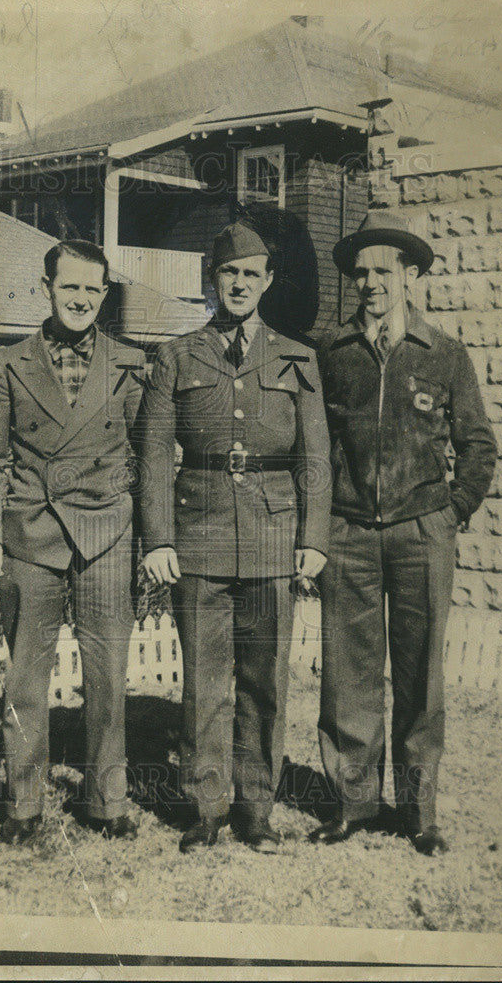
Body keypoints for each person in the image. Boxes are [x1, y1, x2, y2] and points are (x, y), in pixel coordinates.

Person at [136, 222, 331, 854]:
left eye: (251, 272)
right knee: (204, 681)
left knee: (266, 678)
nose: (239, 283)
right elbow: (155, 452)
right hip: (199, 532)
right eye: (229, 273)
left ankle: (257, 810)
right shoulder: (176, 357)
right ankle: (205, 807)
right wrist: (159, 540)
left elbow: (316, 459)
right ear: (211, 281)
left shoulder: (298, 357)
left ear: (268, 281)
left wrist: (315, 538)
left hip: (275, 533)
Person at [312, 211, 498, 855]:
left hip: (423, 534)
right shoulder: (331, 355)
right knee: (349, 673)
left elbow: (478, 447)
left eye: (383, 271)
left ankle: (420, 811)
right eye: (360, 272)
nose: (370, 283)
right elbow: (317, 447)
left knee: (420, 674)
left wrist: (452, 510)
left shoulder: (444, 354)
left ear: (410, 275)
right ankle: (354, 805)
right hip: (350, 535)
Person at [0, 240, 145, 845]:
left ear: (104, 295)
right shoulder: (9, 363)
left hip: (106, 532)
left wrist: (152, 537)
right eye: (69, 287)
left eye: (92, 289)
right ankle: (23, 804)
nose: (80, 299)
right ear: (46, 288)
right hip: (31, 533)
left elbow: (148, 454)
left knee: (107, 672)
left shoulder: (128, 363)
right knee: (25, 679)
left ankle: (107, 800)